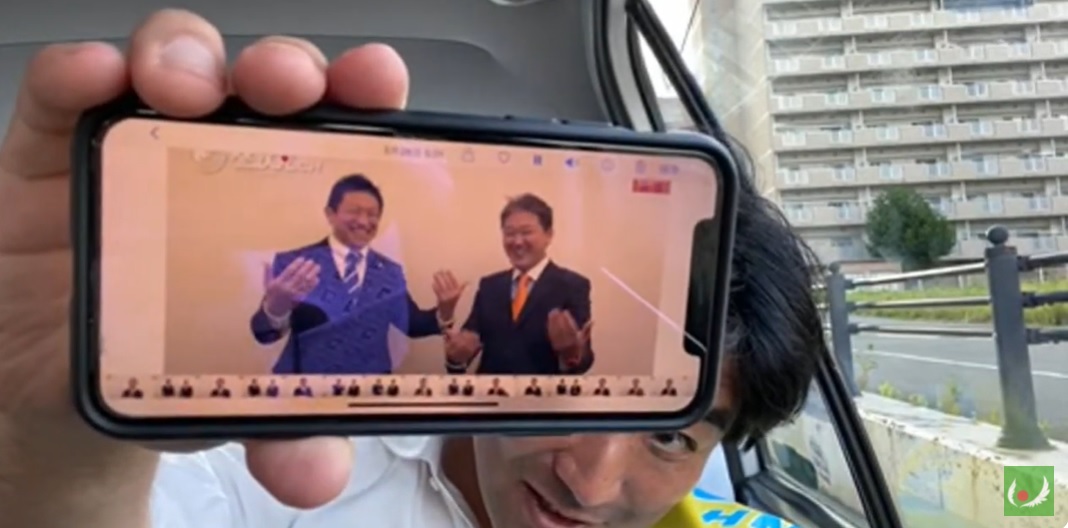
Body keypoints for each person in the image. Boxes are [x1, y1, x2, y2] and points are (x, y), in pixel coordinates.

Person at [0, 11, 822, 528]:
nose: (591, 482)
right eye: (582, 392)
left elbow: (414, 325)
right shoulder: (279, 469)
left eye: (670, 431)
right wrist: (54, 473)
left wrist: (451, 321)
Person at [248, 174, 469, 375]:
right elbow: (264, 335)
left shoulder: (389, 271)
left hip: (371, 388)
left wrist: (445, 310)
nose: (364, 221)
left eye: (372, 214)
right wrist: (274, 309)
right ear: (330, 214)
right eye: (354, 212)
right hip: (305, 387)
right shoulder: (296, 264)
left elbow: (412, 325)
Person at [444, 194, 594, 376]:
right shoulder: (489, 287)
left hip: (544, 393)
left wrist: (571, 354)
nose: (517, 241)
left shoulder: (573, 285)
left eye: (526, 232)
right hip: (492, 392)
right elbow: (463, 352)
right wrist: (455, 357)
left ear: (548, 235)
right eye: (510, 233)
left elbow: (582, 363)